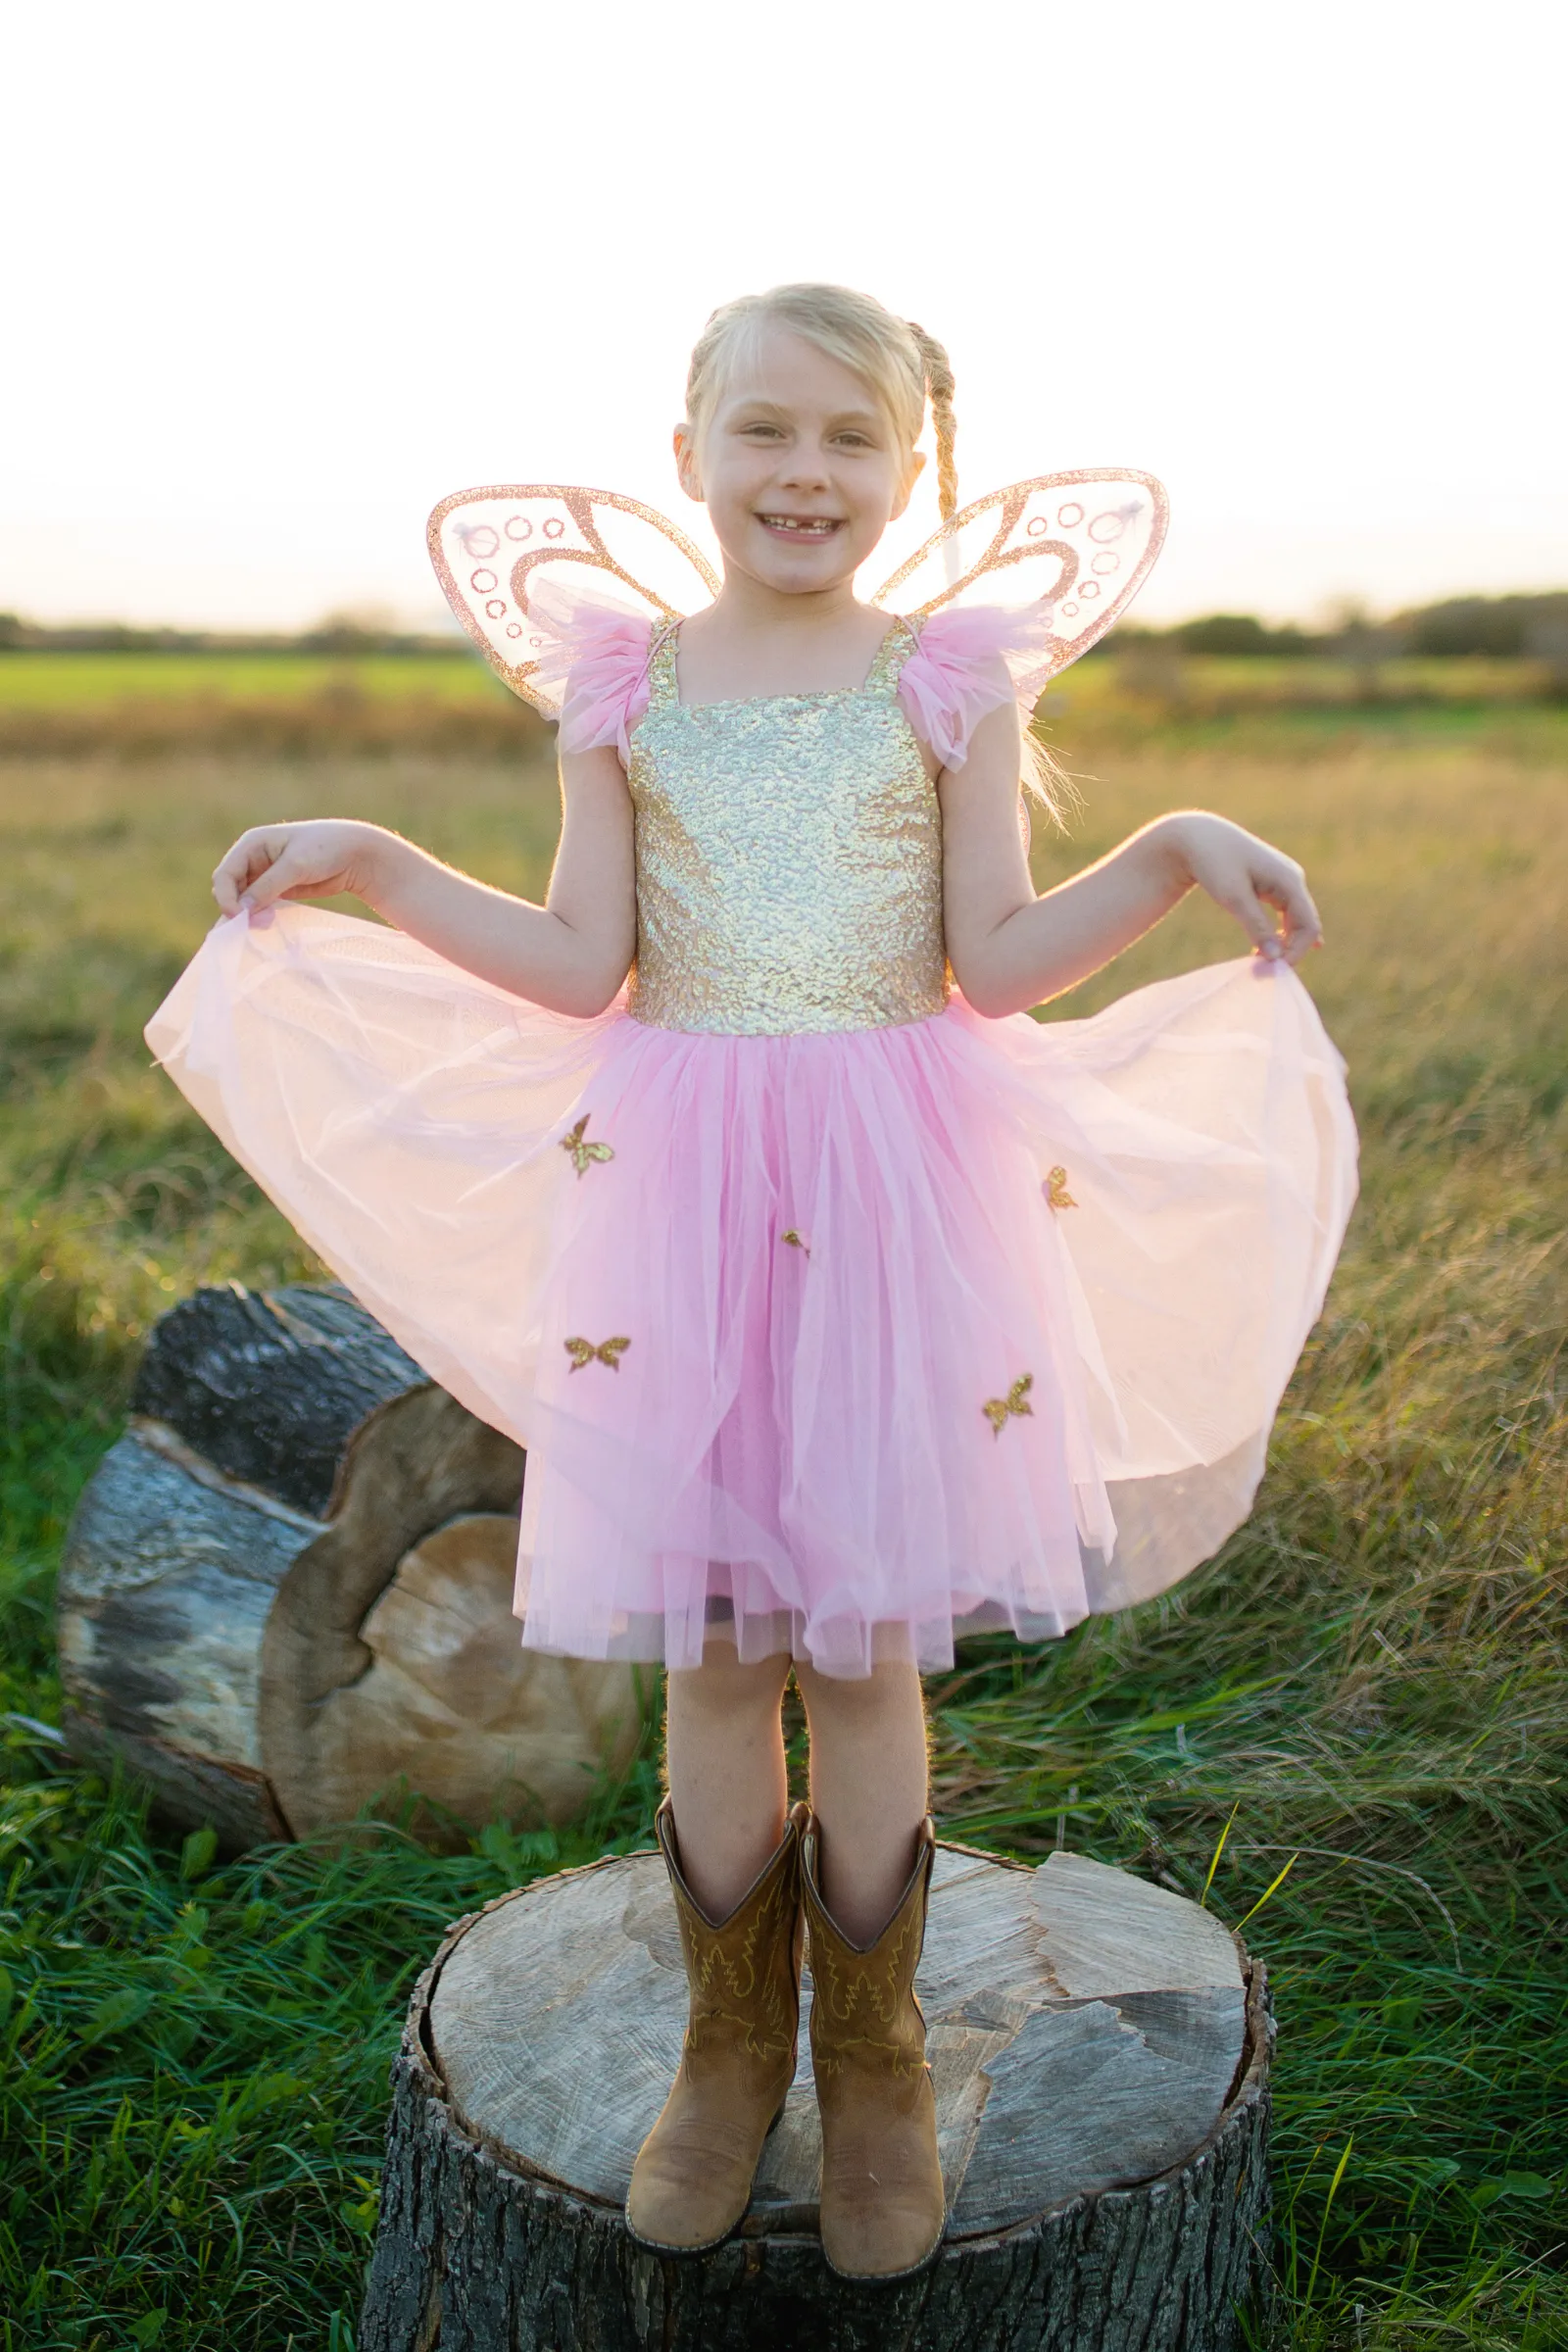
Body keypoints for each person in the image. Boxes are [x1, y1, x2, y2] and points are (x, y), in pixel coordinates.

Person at [148, 282, 1356, 2282]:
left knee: (861, 1645)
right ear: (690, 449)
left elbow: (987, 959)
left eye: (850, 441)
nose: (806, 473)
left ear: (910, 470)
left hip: (893, 1198)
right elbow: (573, 959)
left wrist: (1167, 843)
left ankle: (869, 2060)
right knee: (716, 1646)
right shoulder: (624, 683)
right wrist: (367, 852)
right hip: (680, 1202)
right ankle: (727, 2049)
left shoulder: (944, 677)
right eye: (766, 432)